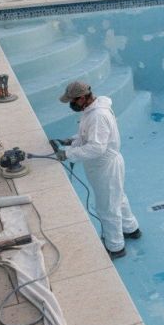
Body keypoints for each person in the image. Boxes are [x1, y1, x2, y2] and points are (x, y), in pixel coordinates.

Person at [56, 80, 140, 259]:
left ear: (82, 98)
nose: (71, 104)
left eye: (72, 101)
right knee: (117, 197)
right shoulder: (92, 110)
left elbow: (96, 147)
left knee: (107, 207)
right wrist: (72, 141)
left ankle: (115, 247)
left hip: (105, 167)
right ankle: (131, 229)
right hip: (106, 165)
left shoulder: (97, 116)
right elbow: (90, 136)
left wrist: (68, 154)